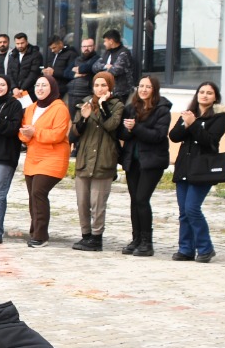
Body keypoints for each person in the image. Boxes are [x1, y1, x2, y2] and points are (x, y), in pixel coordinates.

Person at [170, 82, 225, 262]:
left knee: (192, 208)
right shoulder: (189, 114)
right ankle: (186, 249)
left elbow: (209, 141)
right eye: (201, 92)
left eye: (209, 93)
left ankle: (205, 248)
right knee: (183, 211)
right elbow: (174, 136)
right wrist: (186, 123)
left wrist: (193, 124)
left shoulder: (219, 117)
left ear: (215, 97)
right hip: (184, 168)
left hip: (203, 169)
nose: (204, 95)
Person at [117, 75, 171, 257]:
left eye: (148, 87)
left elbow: (158, 135)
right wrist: (128, 129)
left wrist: (136, 128)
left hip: (153, 161)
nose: (143, 90)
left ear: (154, 89)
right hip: (133, 160)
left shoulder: (162, 110)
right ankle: (136, 239)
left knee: (142, 199)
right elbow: (123, 134)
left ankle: (147, 242)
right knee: (134, 200)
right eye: (141, 86)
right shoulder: (131, 108)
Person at [70, 70, 123, 251]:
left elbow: (112, 126)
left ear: (110, 87)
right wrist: (83, 119)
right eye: (97, 85)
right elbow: (74, 134)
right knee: (82, 201)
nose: (100, 89)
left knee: (97, 203)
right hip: (84, 159)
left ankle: (97, 237)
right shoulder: (84, 104)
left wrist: (103, 107)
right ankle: (85, 235)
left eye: (104, 85)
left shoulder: (117, 105)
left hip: (103, 159)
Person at [19, 73, 71, 248]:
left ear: (52, 88)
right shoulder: (31, 108)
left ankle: (41, 235)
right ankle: (35, 232)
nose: (40, 89)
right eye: (37, 85)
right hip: (33, 157)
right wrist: (26, 135)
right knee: (32, 197)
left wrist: (35, 133)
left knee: (38, 193)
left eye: (44, 85)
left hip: (53, 157)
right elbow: (23, 132)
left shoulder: (59, 108)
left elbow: (58, 134)